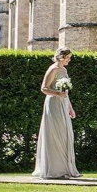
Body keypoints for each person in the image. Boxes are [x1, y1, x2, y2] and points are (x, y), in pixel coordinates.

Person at [33, 48, 80, 179]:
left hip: (63, 104)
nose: (69, 60)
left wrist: (70, 107)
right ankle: (54, 169)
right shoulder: (52, 69)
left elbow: (66, 92)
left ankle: (65, 168)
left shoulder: (64, 70)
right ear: (61, 57)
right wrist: (57, 94)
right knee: (54, 133)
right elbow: (44, 88)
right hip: (53, 104)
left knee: (65, 134)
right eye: (67, 58)